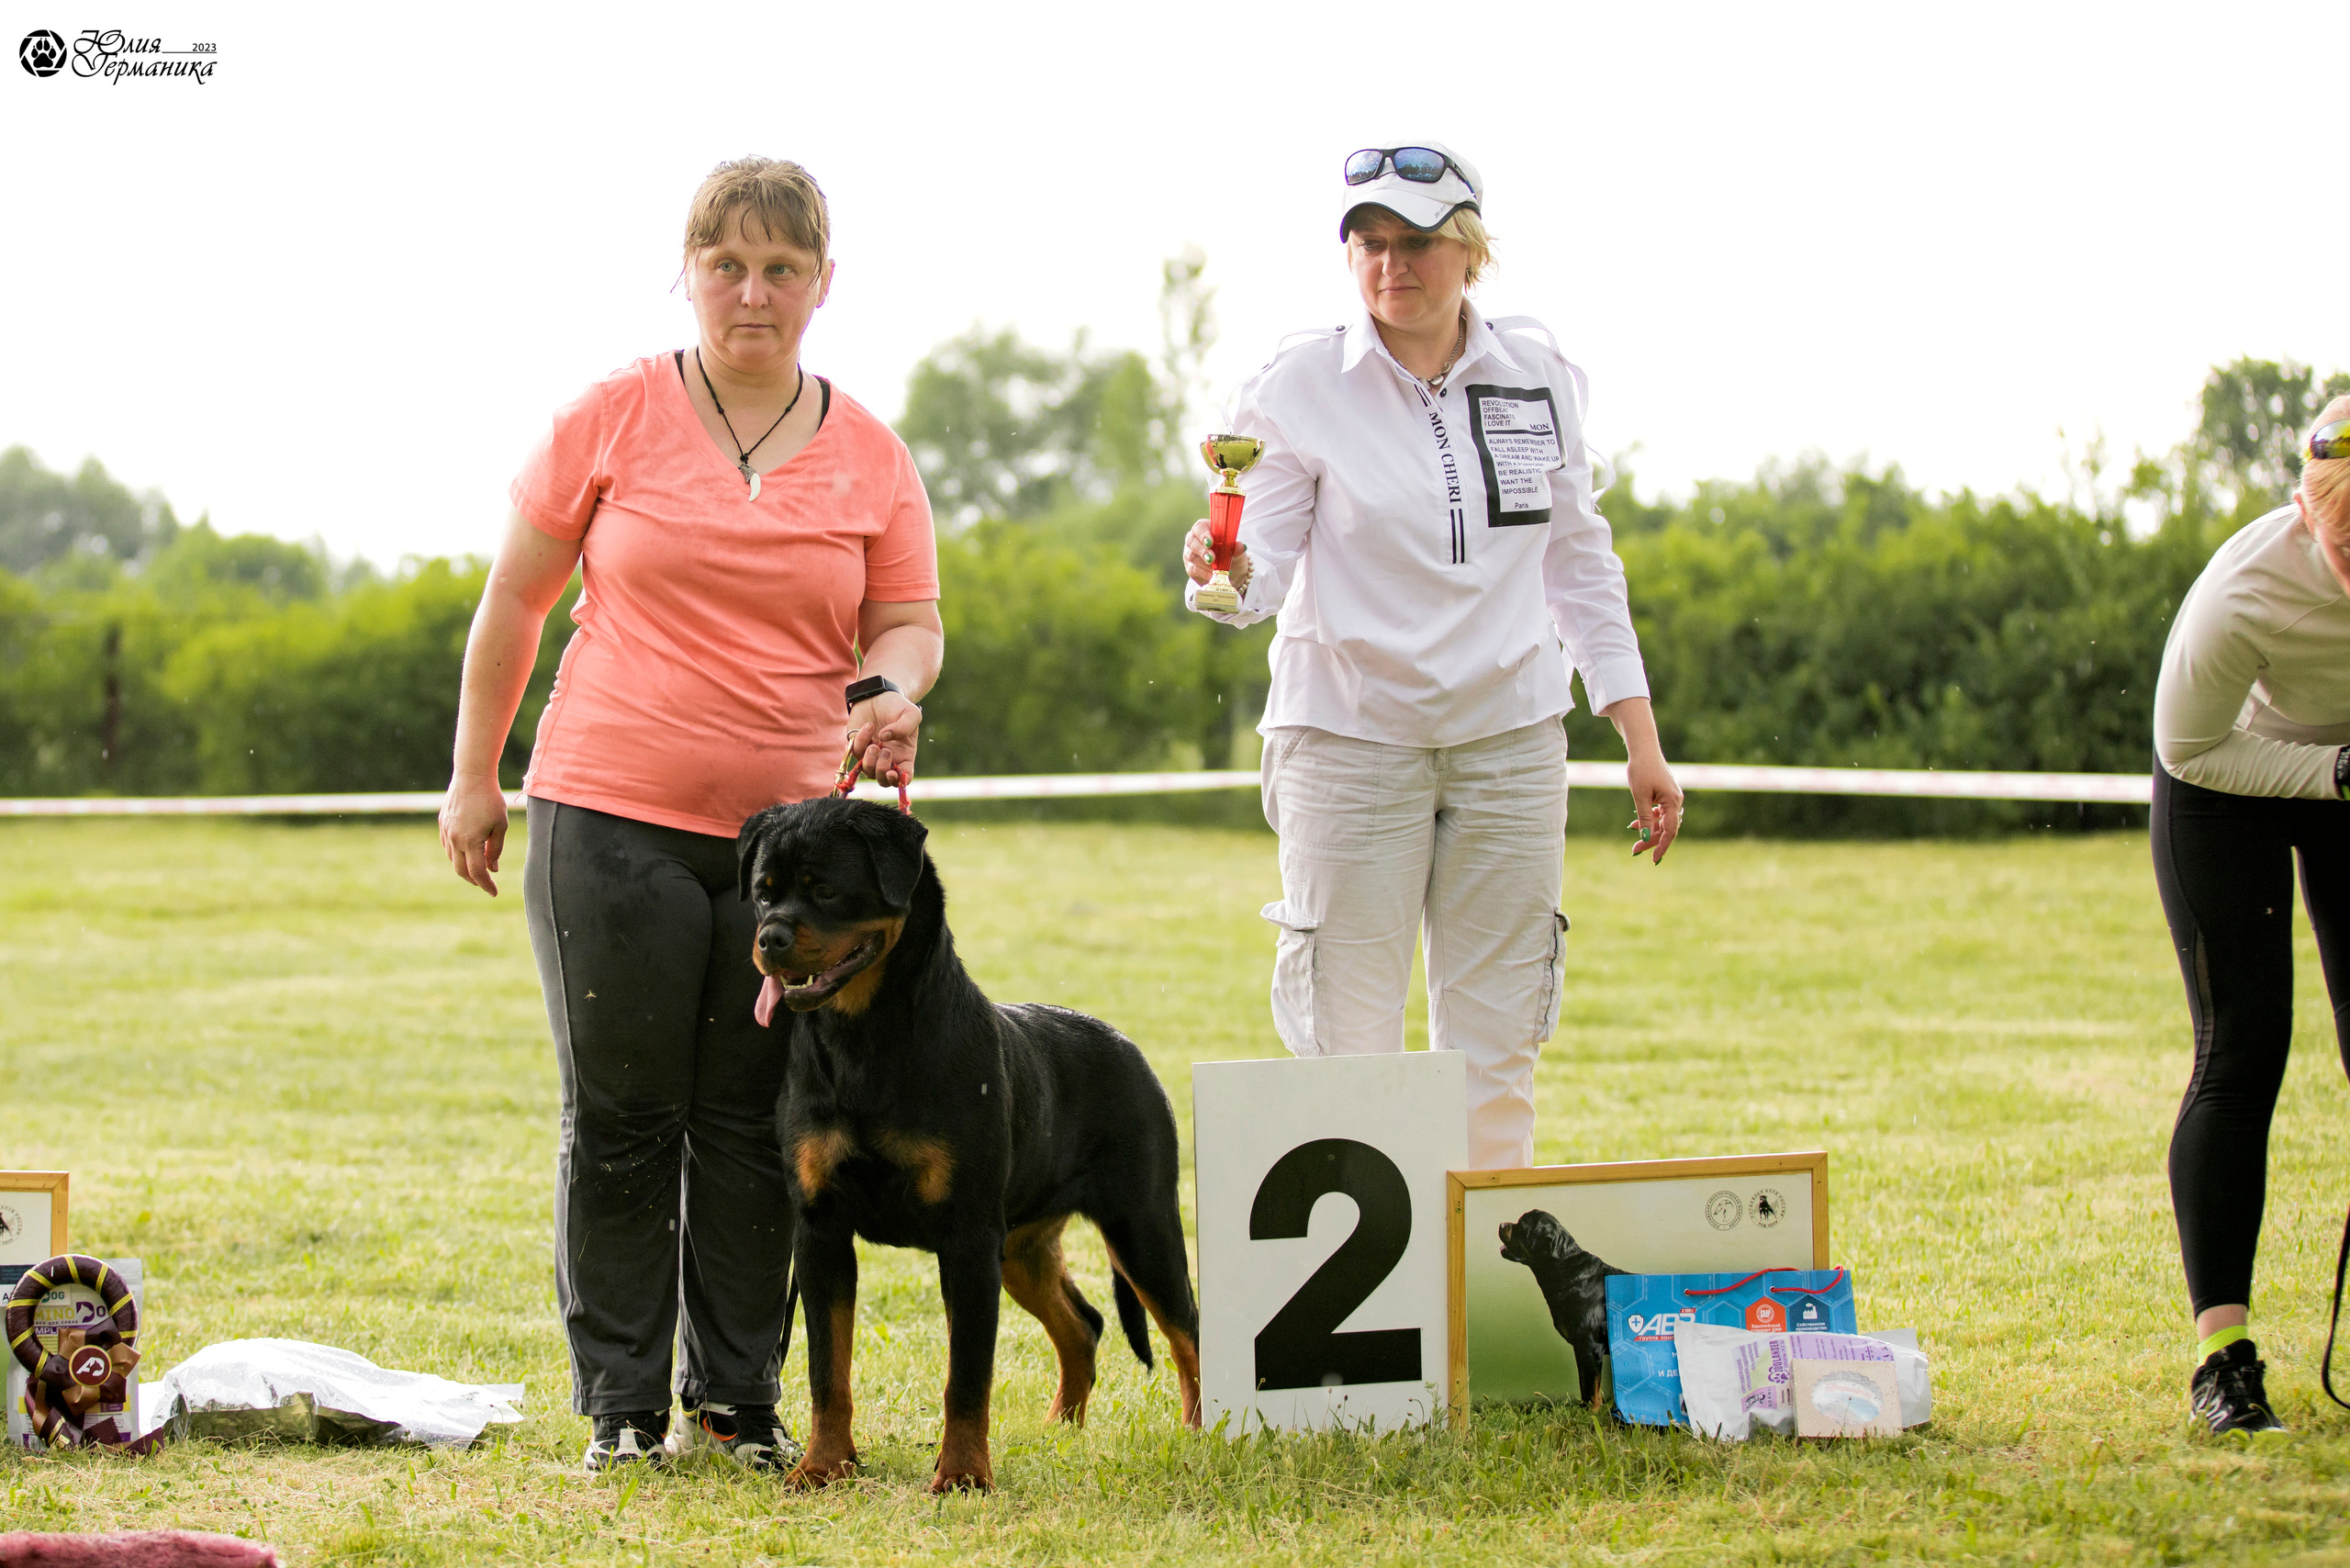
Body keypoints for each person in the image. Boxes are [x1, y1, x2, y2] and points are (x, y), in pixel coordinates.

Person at [436, 157, 941, 1472]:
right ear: (690, 271)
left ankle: (740, 1404)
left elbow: (908, 615)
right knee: (621, 1114)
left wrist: (890, 686)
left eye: (782, 269)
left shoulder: (874, 452)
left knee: (751, 1120)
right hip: (610, 810)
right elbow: (514, 605)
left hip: (792, 853)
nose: (753, 293)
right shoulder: (609, 416)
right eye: (728, 265)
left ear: (824, 285)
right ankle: (620, 1407)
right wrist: (474, 774)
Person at [1182, 142, 1682, 1170]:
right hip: (1348, 744)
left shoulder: (1541, 375)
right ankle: (1372, 1326)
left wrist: (1638, 735)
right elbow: (1257, 575)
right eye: (1367, 243)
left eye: (1413, 243)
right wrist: (1217, 565)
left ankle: (1484, 1310)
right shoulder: (1293, 385)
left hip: (1510, 745)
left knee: (1496, 1050)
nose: (1386, 266)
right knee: (1347, 1050)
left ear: (1470, 251)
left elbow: (1580, 563)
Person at [2152, 395, 2350, 1436]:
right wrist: (2331, 771)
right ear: (2303, 514)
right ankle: (2222, 1361)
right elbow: (2190, 748)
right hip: (2223, 778)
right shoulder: (2244, 595)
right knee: (2243, 1052)